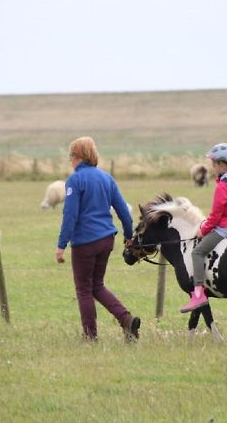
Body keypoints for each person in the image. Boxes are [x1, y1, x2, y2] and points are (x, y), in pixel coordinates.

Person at [55, 136, 140, 342]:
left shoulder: (75, 180)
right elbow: (124, 213)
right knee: (97, 285)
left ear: (78, 157)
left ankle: (90, 336)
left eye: (71, 156)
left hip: (85, 242)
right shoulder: (107, 178)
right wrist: (129, 237)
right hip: (106, 240)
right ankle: (126, 319)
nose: (70, 160)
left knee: (84, 289)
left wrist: (61, 245)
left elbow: (70, 215)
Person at [180, 142, 227, 313]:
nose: (212, 168)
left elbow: (215, 217)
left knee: (197, 252)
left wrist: (202, 230)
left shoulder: (223, 186)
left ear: (222, 165)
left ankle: (198, 293)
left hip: (226, 229)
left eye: (214, 164)